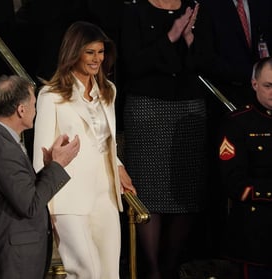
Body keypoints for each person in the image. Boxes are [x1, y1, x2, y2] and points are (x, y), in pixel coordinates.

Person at [33, 21, 135, 278]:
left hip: (106, 194)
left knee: (109, 272)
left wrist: (119, 166)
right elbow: (40, 157)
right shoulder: (50, 96)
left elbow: (104, 142)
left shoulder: (108, 91)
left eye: (100, 52)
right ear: (73, 52)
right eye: (90, 52)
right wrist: (42, 202)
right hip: (67, 197)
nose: (97, 59)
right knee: (85, 272)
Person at [120, 0, 214, 278]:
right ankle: (152, 271)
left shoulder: (195, 9)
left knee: (185, 194)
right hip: (147, 109)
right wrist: (171, 36)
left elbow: (206, 63)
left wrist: (188, 39)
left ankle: (171, 267)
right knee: (149, 192)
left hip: (188, 109)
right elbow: (133, 64)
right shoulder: (133, 12)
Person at [0, 75, 80, 279]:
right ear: (21, 110)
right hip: (11, 262)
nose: (36, 110)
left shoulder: (2, 140)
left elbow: (22, 191)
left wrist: (49, 168)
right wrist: (58, 165)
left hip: (15, 257)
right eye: (33, 105)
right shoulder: (2, 148)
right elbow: (30, 204)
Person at [218, 57, 272, 279]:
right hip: (255, 235)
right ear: (254, 84)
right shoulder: (238, 123)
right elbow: (233, 182)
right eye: (268, 86)